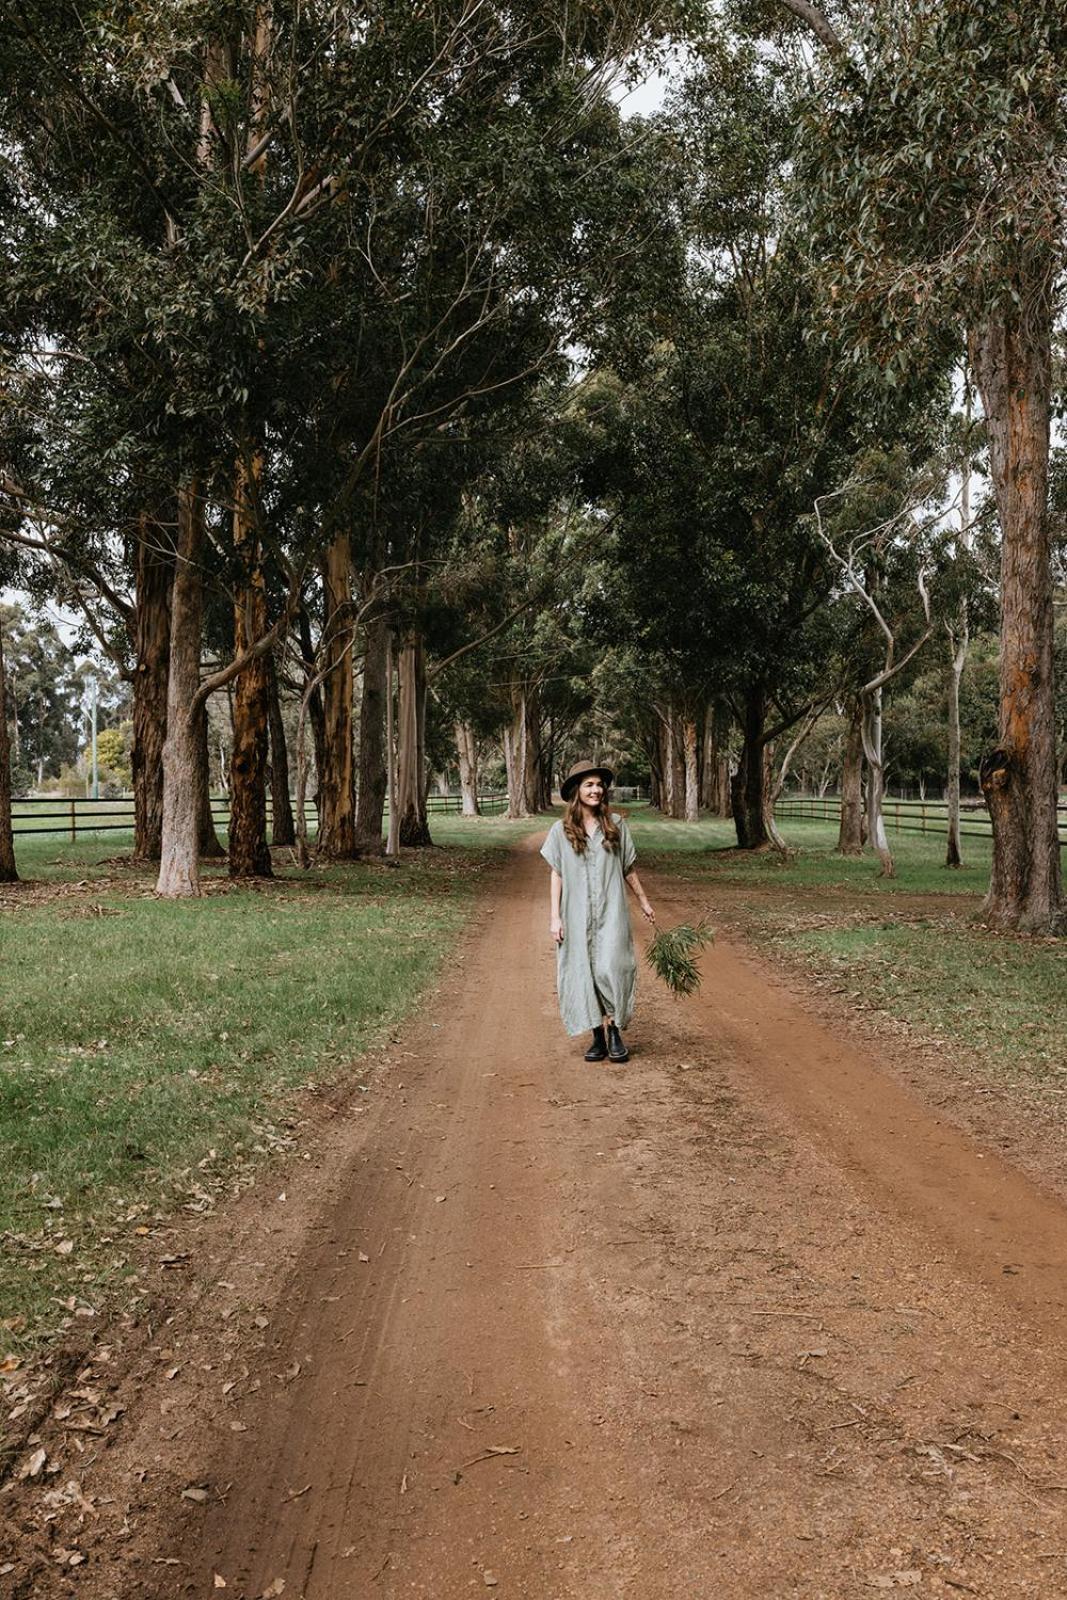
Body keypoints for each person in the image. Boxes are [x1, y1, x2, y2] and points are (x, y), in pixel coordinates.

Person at [540, 761, 655, 1063]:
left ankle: (615, 1030)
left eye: (599, 784)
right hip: (575, 914)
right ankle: (597, 1037)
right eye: (589, 784)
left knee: (613, 966)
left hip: (611, 912)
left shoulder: (616, 825)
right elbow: (557, 874)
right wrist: (555, 917)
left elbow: (628, 868)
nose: (595, 790)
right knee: (582, 971)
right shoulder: (560, 831)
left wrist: (643, 901)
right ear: (577, 791)